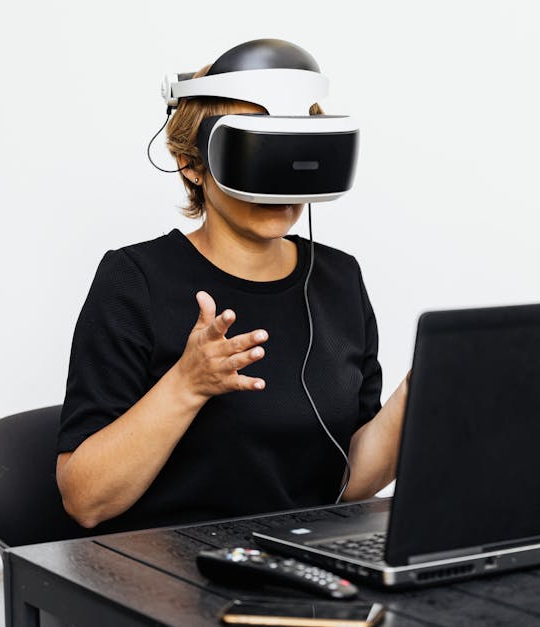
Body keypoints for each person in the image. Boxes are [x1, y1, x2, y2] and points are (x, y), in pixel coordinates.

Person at [55, 61, 408, 531]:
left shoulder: (339, 277)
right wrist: (188, 383)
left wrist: (422, 389)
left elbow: (349, 482)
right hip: (173, 574)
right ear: (192, 164)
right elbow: (85, 499)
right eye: (259, 152)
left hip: (303, 560)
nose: (280, 184)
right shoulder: (134, 279)